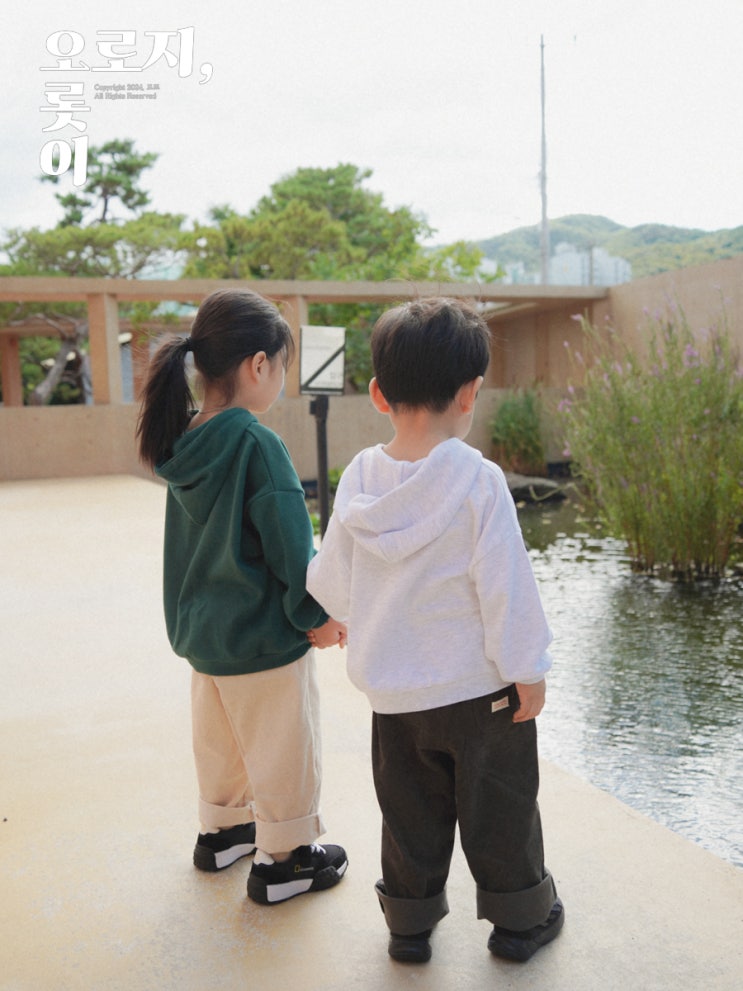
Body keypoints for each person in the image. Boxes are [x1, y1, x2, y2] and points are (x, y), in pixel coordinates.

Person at [306, 297, 564, 963]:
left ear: (378, 394)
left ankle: (408, 925)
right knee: (500, 809)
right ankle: (519, 922)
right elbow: (506, 587)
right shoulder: (478, 480)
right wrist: (527, 670)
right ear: (470, 392)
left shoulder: (360, 478)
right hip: (480, 695)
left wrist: (335, 616)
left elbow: (333, 574)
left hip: (395, 701)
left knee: (407, 816)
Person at [137, 288, 348, 905]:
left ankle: (222, 833)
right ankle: (285, 860)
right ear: (259, 365)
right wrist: (317, 616)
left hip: (205, 639)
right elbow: (290, 547)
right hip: (261, 639)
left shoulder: (184, 441)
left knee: (220, 745)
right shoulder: (256, 443)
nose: (280, 379)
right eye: (280, 367)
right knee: (283, 748)